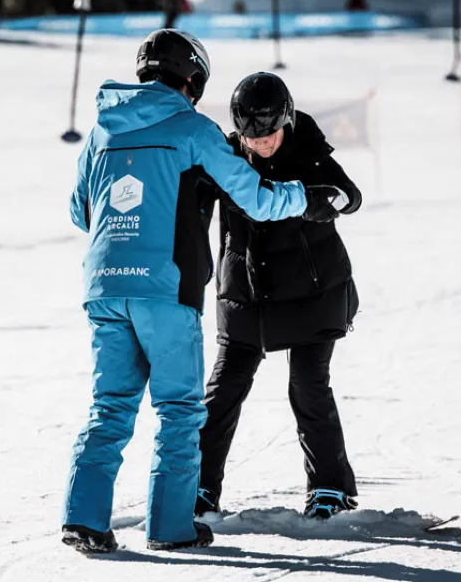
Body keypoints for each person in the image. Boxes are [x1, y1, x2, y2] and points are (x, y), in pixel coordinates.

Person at [61, 30, 338, 554]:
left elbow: (81, 211)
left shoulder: (102, 131)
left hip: (103, 286)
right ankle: (170, 528)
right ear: (192, 79)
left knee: (110, 406)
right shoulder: (193, 129)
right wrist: (306, 195)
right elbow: (255, 196)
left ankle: (83, 518)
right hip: (164, 286)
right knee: (180, 409)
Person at [194, 72, 363, 521]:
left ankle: (330, 487)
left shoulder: (307, 147)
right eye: (252, 135)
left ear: (286, 119)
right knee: (223, 390)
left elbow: (351, 195)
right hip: (246, 294)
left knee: (308, 386)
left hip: (313, 291)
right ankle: (197, 487)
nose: (262, 142)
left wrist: (324, 200)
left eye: (269, 133)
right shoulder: (227, 157)